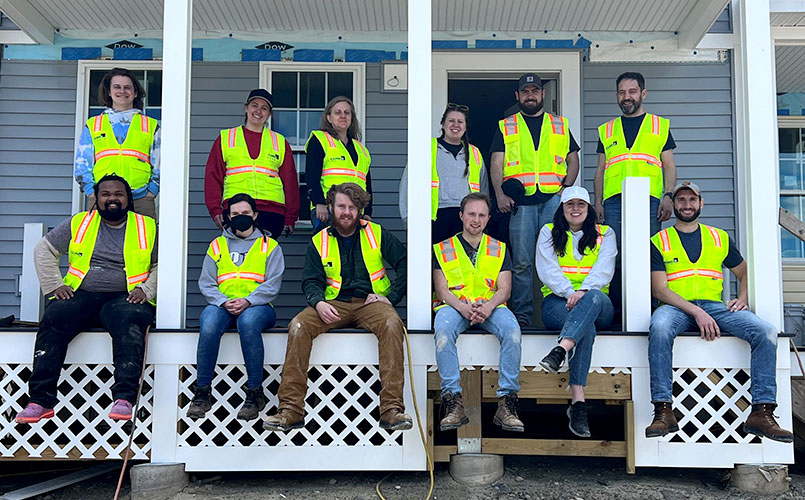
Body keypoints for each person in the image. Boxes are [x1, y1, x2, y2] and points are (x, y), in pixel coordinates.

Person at [645, 182, 792, 443]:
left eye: (692, 200)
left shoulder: (719, 237)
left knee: (765, 332)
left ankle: (762, 412)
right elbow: (659, 290)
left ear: (701, 203)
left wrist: (743, 298)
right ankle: (663, 410)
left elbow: (744, 272)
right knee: (659, 327)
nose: (687, 205)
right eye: (681, 200)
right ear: (674, 204)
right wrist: (696, 313)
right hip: (676, 307)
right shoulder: (659, 240)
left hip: (715, 306)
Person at [263, 183, 411, 432]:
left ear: (360, 209)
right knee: (298, 325)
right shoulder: (318, 241)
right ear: (330, 207)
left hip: (370, 304)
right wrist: (318, 302)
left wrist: (392, 296)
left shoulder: (376, 233)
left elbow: (406, 261)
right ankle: (290, 410)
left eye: (353, 207)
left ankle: (391, 410)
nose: (346, 212)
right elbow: (310, 280)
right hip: (331, 305)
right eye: (341, 206)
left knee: (392, 323)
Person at [15, 175, 157, 423]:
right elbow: (43, 249)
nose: (112, 198)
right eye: (105, 194)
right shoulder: (79, 222)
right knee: (54, 318)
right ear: (96, 198)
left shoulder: (148, 226)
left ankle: (124, 398)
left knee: (130, 323)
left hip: (126, 297)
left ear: (128, 199)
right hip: (81, 294)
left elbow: (163, 264)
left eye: (119, 194)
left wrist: (147, 289)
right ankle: (40, 400)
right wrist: (54, 285)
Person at [490, 73, 581, 327]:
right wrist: (499, 194)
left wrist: (567, 188)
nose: (531, 95)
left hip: (553, 202)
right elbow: (497, 162)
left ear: (543, 94)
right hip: (521, 205)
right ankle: (523, 317)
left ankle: (556, 315)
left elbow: (573, 159)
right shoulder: (506, 125)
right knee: (521, 263)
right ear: (518, 96)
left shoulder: (560, 124)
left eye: (535, 91)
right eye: (525, 91)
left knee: (556, 260)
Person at [433, 193, 523, 432]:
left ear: (488, 218)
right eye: (471, 214)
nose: (476, 219)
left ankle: (507, 404)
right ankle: (452, 401)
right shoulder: (443, 248)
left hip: (490, 306)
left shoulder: (499, 247)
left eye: (482, 215)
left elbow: (505, 289)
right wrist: (462, 307)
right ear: (461, 216)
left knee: (513, 331)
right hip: (454, 306)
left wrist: (488, 307)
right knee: (442, 331)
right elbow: (441, 289)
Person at [189, 193, 284, 421]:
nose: (240, 217)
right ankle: (202, 392)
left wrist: (248, 300)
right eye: (235, 214)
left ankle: (254, 392)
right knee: (209, 321)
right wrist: (222, 301)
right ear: (228, 217)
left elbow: (273, 283)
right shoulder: (217, 245)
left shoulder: (269, 246)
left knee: (248, 321)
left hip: (258, 306)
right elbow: (206, 281)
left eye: (245, 213)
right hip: (222, 304)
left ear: (255, 215)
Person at [593, 72, 677, 317]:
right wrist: (597, 202)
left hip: (649, 202)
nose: (626, 97)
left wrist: (668, 195)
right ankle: (617, 313)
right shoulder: (607, 130)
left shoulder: (659, 126)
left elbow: (669, 165)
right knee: (614, 256)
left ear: (643, 93)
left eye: (631, 91)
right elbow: (600, 169)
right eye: (621, 92)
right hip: (614, 202)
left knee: (646, 256)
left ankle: (647, 310)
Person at [536, 186, 617, 438]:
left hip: (598, 302)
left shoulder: (605, 233)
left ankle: (560, 350)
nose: (575, 209)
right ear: (562, 208)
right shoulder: (548, 232)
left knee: (591, 299)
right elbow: (547, 270)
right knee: (586, 328)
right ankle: (578, 402)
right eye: (570, 204)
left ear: (589, 209)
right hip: (557, 303)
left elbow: (604, 269)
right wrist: (569, 293)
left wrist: (582, 292)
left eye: (581, 205)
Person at [204, 89, 299, 239]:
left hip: (272, 212)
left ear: (269, 114)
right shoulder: (226, 138)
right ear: (246, 108)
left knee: (265, 258)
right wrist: (215, 209)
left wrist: (291, 216)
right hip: (236, 210)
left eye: (264, 108)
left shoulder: (279, 142)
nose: (258, 111)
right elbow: (212, 177)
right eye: (254, 105)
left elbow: (291, 182)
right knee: (237, 258)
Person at [74, 68, 160, 219]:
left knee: (143, 241)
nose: (122, 91)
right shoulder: (94, 124)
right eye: (117, 87)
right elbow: (82, 163)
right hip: (103, 198)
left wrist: (151, 191)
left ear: (135, 93)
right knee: (101, 242)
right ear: (109, 91)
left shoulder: (150, 125)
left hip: (140, 198)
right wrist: (91, 192)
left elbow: (161, 162)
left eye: (127, 87)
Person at [399, 103, 488, 243]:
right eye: (451, 121)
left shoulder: (475, 153)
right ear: (443, 124)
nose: (456, 125)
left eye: (460, 121)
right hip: (433, 219)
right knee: (435, 263)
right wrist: (407, 219)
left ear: (465, 126)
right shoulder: (426, 149)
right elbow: (408, 184)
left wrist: (483, 217)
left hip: (466, 220)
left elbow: (483, 190)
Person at [305, 96, 373, 232]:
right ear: (329, 118)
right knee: (329, 251)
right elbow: (312, 175)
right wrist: (318, 203)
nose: (343, 116)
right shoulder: (320, 140)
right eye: (337, 112)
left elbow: (367, 185)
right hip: (328, 209)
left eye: (347, 112)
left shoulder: (362, 150)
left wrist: (368, 212)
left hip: (356, 212)